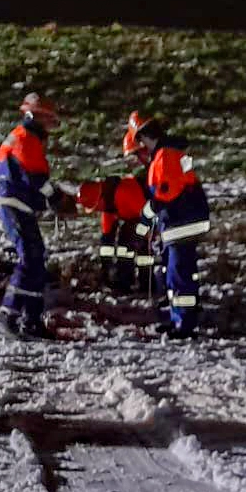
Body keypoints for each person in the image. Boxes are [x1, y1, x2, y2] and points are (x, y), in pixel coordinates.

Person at [0, 92, 70, 338]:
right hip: (15, 202)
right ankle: (8, 314)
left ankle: (32, 320)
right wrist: (57, 199)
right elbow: (36, 178)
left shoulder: (24, 137)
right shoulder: (26, 138)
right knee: (29, 257)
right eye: (46, 119)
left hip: (19, 203)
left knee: (36, 258)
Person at [132, 113, 210, 338]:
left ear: (146, 137)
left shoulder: (165, 156)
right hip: (184, 219)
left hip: (180, 221)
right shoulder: (172, 153)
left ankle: (184, 324)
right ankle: (180, 318)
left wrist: (147, 217)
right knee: (176, 271)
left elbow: (165, 193)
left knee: (179, 273)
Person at [74, 172, 149, 295]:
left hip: (149, 217)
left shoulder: (125, 192)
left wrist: (144, 235)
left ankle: (146, 283)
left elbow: (149, 216)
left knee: (133, 243)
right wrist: (105, 268)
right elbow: (107, 237)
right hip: (135, 219)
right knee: (124, 243)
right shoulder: (108, 205)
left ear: (101, 198)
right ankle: (125, 282)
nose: (98, 210)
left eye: (97, 207)